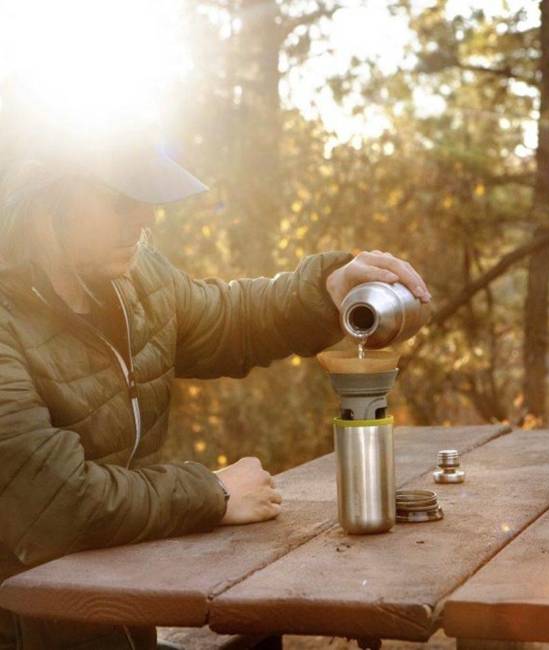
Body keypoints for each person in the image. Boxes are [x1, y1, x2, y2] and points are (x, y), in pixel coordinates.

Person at [0, 137, 431, 650]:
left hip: (114, 619)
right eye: (121, 201)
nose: (144, 220)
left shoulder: (132, 277)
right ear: (53, 194)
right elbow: (54, 506)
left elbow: (227, 320)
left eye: (148, 198)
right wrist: (214, 493)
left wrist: (327, 289)